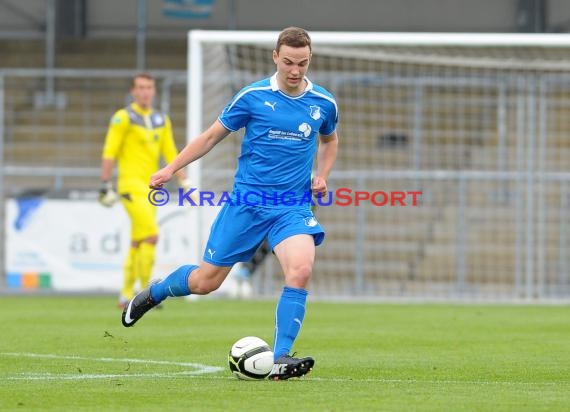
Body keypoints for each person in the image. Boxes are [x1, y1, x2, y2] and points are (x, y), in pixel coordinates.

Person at [121, 27, 339, 381]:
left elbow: (330, 140)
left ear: (310, 59)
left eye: (302, 63)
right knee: (206, 282)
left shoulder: (323, 103)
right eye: (288, 62)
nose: (295, 71)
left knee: (300, 269)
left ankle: (281, 357)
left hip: (292, 207)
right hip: (247, 204)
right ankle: (156, 292)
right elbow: (209, 137)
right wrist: (171, 168)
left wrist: (323, 174)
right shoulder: (252, 97)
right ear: (275, 57)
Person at [99, 72, 192, 309]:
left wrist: (184, 181)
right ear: (133, 91)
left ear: (154, 91)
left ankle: (125, 293)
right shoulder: (123, 118)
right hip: (130, 187)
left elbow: (170, 153)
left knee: (138, 241)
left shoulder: (162, 119)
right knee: (151, 234)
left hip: (152, 189)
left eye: (148, 87)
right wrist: (105, 184)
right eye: (140, 87)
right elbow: (110, 151)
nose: (144, 92)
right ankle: (145, 293)